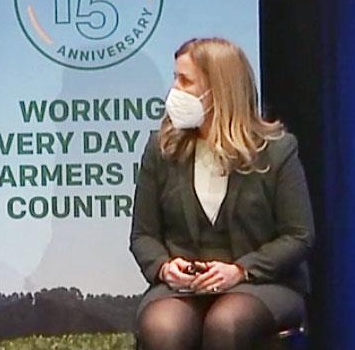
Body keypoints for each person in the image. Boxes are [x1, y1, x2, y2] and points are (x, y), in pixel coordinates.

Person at [130, 38, 314, 350]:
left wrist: (240, 270)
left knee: (226, 323)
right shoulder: (161, 148)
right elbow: (143, 236)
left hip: (260, 283)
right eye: (175, 78)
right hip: (184, 288)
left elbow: (298, 236)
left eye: (185, 81)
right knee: (163, 328)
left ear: (218, 90)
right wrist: (164, 266)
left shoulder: (277, 150)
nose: (174, 91)